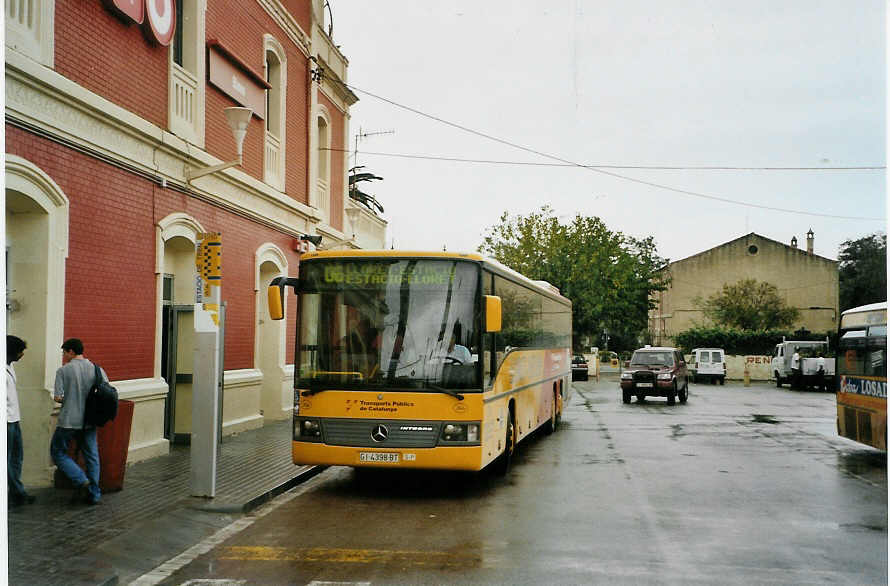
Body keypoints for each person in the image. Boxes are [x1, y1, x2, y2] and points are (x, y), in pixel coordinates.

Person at [50, 338, 107, 506]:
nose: (64, 355)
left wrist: (70, 398)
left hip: (68, 420)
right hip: (89, 420)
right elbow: (106, 391)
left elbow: (58, 397)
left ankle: (80, 478)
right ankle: (94, 494)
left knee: (58, 452)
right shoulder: (97, 370)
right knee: (92, 456)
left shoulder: (63, 371)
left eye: (65, 352)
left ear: (71, 352)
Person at [7, 335, 35, 508]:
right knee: (8, 459)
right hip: (7, 421)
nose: (22, 354)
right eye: (20, 351)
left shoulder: (10, 367)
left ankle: (15, 491)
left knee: (17, 457)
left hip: (15, 419)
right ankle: (18, 492)